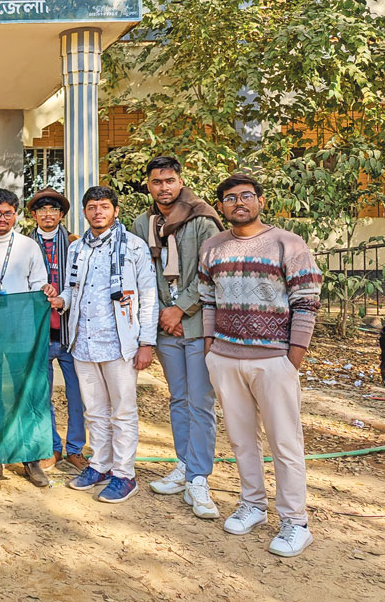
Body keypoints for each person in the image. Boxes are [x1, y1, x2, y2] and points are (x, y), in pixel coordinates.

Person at [199, 174, 321, 557]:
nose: (239, 203)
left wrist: (292, 358)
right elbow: (207, 300)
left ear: (261, 201)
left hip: (273, 361)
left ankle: (294, 522)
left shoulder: (288, 243)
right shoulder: (213, 246)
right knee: (240, 439)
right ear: (220, 206)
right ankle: (252, 503)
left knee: (285, 442)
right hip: (225, 357)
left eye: (246, 196)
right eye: (230, 198)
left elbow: (307, 301)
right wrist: (210, 349)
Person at [130, 157, 223, 518]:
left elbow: (211, 271)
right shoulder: (143, 223)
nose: (164, 187)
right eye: (157, 182)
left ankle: (200, 477)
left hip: (197, 324)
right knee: (179, 398)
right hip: (164, 325)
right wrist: (162, 317)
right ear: (149, 185)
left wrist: (181, 309)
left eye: (170, 180)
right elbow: (141, 273)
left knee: (200, 400)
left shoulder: (203, 219)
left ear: (180, 181)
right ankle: (184, 466)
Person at [60, 185, 157, 504]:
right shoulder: (77, 249)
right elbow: (72, 292)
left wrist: (146, 342)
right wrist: (58, 299)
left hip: (120, 343)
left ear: (115, 211)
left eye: (104, 206)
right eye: (91, 207)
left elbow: (148, 296)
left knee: (123, 411)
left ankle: (124, 474)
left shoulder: (133, 246)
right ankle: (99, 465)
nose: (97, 212)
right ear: (84, 212)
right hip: (83, 343)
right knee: (95, 411)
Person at [0, 188, 56, 488]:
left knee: (26, 391)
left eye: (8, 212)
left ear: (16, 214)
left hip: (21, 328)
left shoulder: (28, 246)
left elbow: (39, 282)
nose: (2, 218)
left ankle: (31, 458)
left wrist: (45, 289)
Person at [24, 187, 88, 475]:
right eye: (41, 210)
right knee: (42, 395)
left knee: (77, 394)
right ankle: (51, 447)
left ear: (61, 215)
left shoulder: (76, 244)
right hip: (39, 332)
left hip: (70, 332)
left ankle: (75, 449)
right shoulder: (24, 245)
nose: (47, 215)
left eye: (53, 210)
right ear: (34, 215)